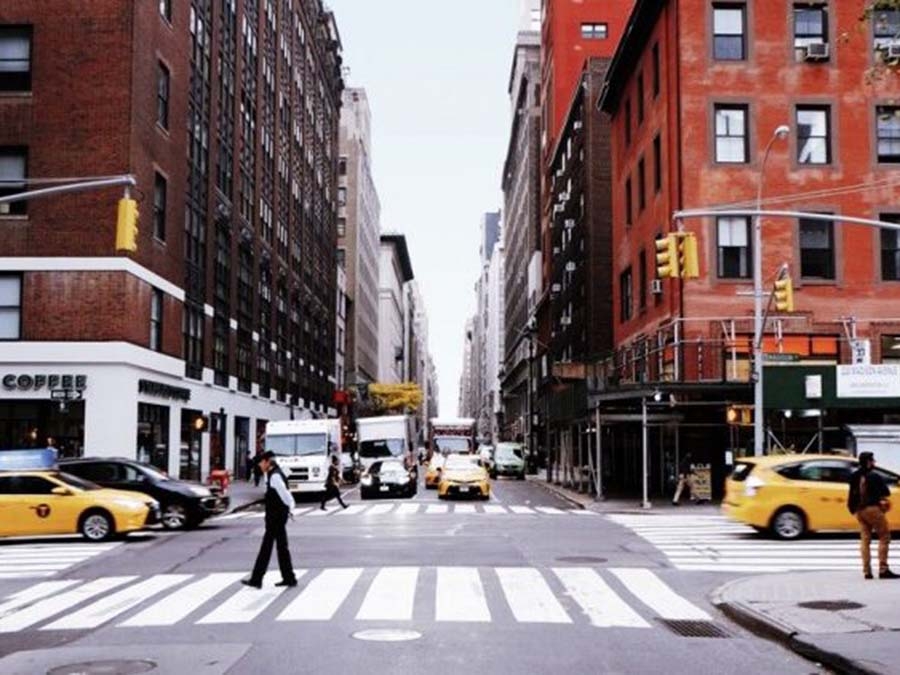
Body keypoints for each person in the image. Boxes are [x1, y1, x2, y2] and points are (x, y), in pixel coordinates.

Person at [242, 451, 297, 589]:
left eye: (261, 463)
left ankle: (256, 579)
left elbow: (285, 494)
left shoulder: (275, 476)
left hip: (276, 517)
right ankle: (289, 577)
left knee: (266, 547)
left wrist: (290, 508)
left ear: (267, 462)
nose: (259, 466)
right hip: (278, 515)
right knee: (281, 547)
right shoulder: (273, 473)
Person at [848, 452, 897, 580]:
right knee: (884, 537)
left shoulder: (854, 475)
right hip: (873, 509)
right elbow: (886, 492)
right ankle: (883, 569)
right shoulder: (874, 476)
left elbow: (851, 495)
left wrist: (853, 509)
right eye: (873, 460)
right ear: (868, 462)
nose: (874, 462)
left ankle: (867, 571)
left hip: (859, 510)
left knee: (865, 540)